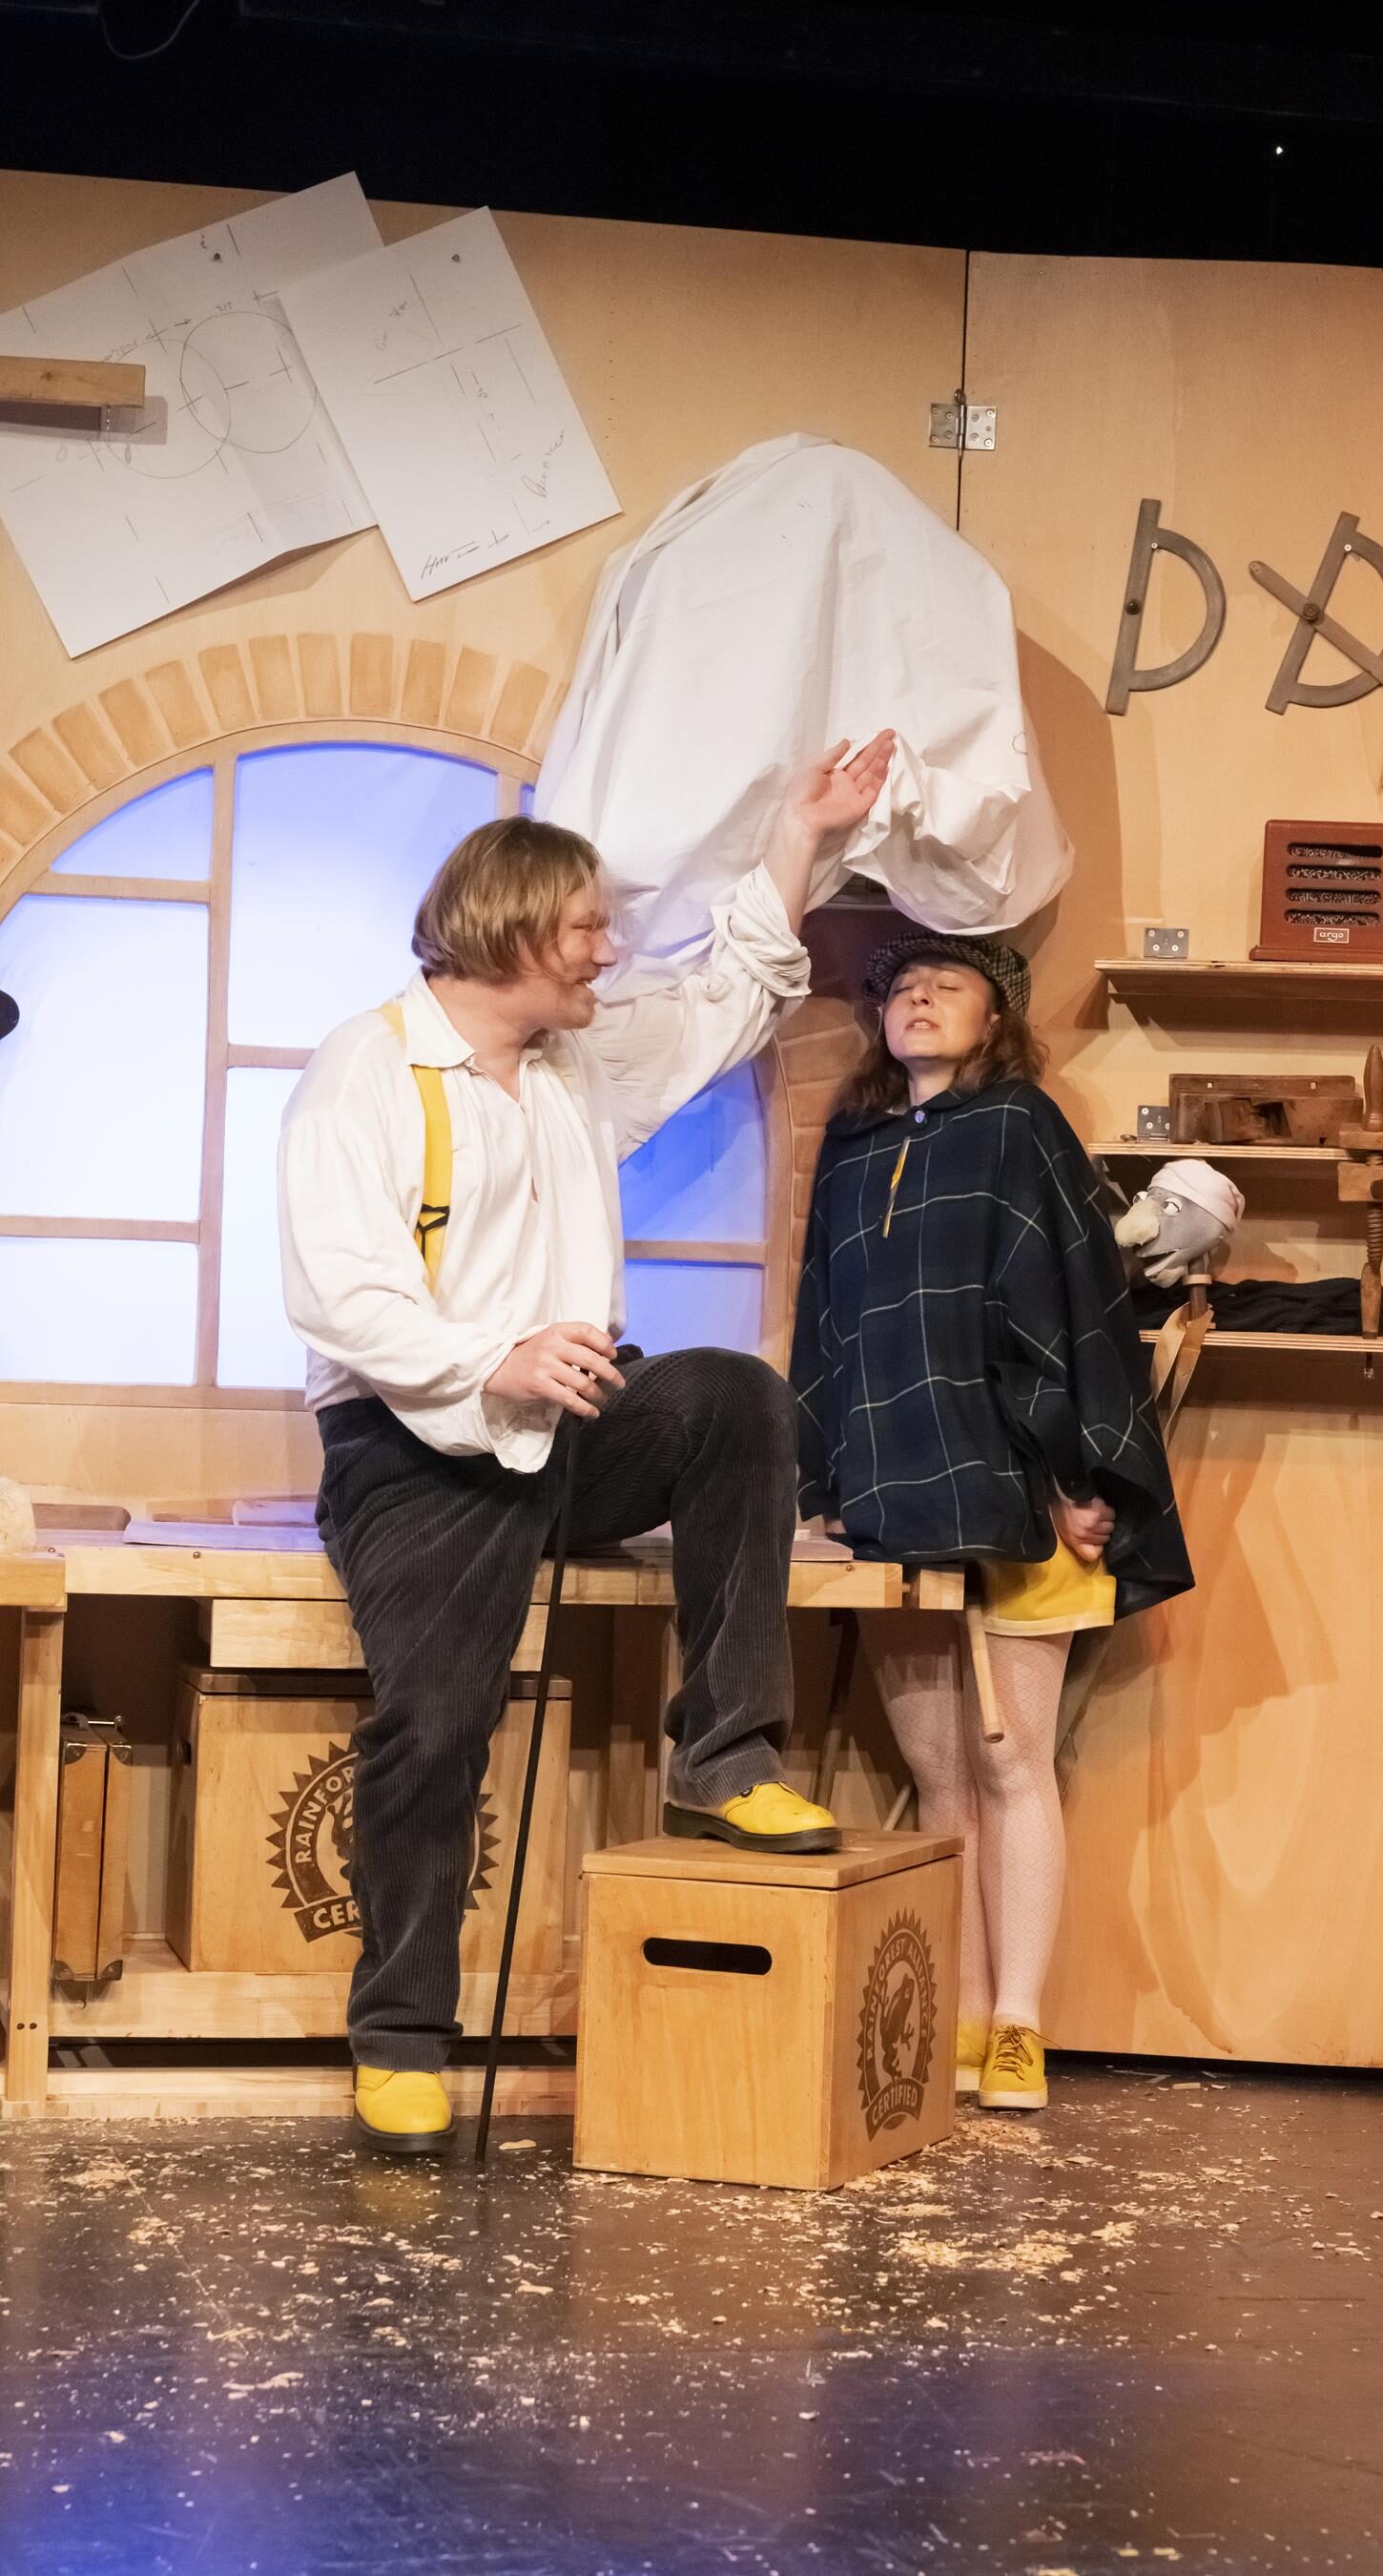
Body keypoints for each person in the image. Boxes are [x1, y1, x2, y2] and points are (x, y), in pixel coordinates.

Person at [279, 731, 895, 2154]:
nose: (608, 950)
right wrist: (490, 1357)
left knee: (732, 1396)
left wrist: (801, 839)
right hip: (414, 1446)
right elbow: (336, 1290)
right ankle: (400, 2035)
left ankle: (723, 1757)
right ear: (508, 927)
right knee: (435, 1725)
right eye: (585, 928)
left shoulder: (577, 1065)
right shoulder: (367, 1070)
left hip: (565, 1425)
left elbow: (731, 996)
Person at [790, 932, 1192, 2113]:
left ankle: (1019, 2024)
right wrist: (822, 1482)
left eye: (948, 983)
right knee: (938, 1771)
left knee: (1013, 1759)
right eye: (902, 986)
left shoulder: (1021, 1126)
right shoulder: (853, 1148)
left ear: (997, 1017)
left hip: (1023, 1491)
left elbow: (1071, 1305)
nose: (918, 997)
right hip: (893, 1496)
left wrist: (1080, 1473)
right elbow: (826, 1326)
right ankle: (957, 2026)